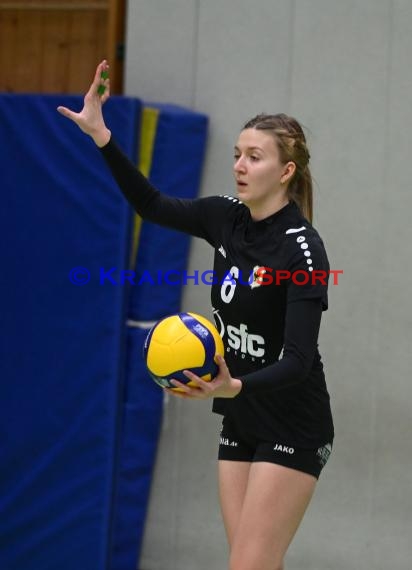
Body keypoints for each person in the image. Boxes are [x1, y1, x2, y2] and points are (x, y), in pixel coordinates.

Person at [58, 60, 334, 570]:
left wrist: (234, 387)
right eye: (237, 155)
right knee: (252, 564)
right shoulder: (225, 217)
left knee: (247, 566)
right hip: (240, 414)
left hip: (293, 420)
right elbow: (151, 205)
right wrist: (101, 136)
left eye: (254, 157)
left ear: (287, 171)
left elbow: (298, 360)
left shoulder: (303, 251)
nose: (240, 166)